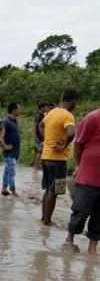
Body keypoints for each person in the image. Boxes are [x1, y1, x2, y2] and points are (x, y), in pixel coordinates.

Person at [39, 89, 78, 226]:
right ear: (72, 101)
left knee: (48, 189)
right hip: (58, 159)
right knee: (54, 192)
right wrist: (64, 145)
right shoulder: (67, 115)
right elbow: (72, 132)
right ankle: (47, 221)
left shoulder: (51, 112)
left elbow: (40, 125)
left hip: (45, 157)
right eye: (76, 103)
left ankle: (44, 218)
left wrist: (46, 139)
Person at [63, 109, 100, 254]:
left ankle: (92, 248)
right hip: (88, 176)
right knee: (81, 209)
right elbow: (78, 143)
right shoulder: (93, 117)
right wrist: (80, 164)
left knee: (99, 216)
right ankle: (69, 239)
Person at [0, 102, 21, 197]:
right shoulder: (5, 121)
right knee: (12, 172)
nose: (20, 110)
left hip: (15, 151)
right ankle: (13, 191)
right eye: (19, 108)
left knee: (7, 170)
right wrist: (4, 146)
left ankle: (4, 189)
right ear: (13, 109)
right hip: (9, 152)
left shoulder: (15, 120)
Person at [32, 103, 49, 171]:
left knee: (37, 151)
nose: (46, 109)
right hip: (39, 137)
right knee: (39, 151)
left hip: (40, 136)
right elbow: (34, 126)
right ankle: (36, 166)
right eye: (45, 107)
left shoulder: (42, 115)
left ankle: (35, 164)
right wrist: (35, 136)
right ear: (41, 108)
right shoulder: (38, 116)